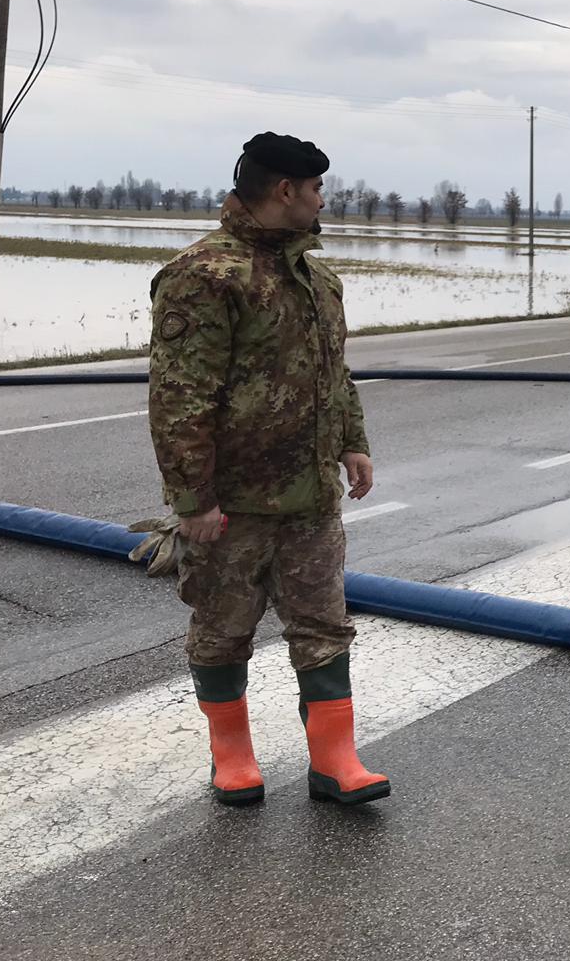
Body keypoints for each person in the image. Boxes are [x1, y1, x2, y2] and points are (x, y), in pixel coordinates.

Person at [148, 132, 389, 807]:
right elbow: (180, 398)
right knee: (223, 630)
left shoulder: (316, 278)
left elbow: (334, 373)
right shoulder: (204, 276)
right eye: (316, 189)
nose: (322, 201)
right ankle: (232, 756)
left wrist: (353, 442)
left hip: (310, 497)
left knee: (324, 626)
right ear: (285, 190)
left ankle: (335, 761)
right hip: (233, 506)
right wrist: (192, 500)